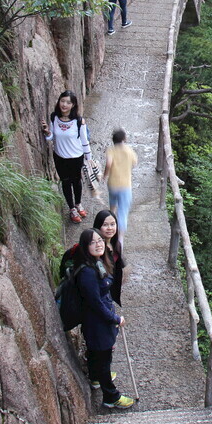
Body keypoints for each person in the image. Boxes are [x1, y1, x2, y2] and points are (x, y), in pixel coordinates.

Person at [75, 228, 135, 409]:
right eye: (93, 242)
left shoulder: (96, 262)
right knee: (104, 358)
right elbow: (96, 303)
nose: (98, 244)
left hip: (95, 322)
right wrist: (115, 319)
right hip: (97, 324)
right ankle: (111, 396)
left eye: (99, 240)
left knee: (96, 353)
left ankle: (95, 379)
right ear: (85, 246)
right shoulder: (87, 272)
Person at [42, 90, 91, 223]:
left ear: (73, 105)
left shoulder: (79, 121)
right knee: (65, 182)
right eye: (62, 101)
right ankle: (72, 209)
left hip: (76, 157)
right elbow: (52, 137)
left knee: (76, 181)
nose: (64, 105)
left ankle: (78, 204)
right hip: (60, 157)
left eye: (68, 102)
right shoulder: (54, 117)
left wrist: (89, 158)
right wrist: (47, 132)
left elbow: (84, 140)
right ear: (59, 102)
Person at [103, 128, 137, 239]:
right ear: (124, 139)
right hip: (125, 186)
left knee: (112, 207)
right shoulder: (129, 151)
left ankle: (109, 228)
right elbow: (134, 163)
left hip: (112, 184)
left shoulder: (111, 150)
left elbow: (108, 164)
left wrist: (105, 175)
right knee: (122, 212)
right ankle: (120, 239)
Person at [93, 209, 126, 304]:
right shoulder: (97, 249)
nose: (110, 228)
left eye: (112, 224)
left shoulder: (116, 244)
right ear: (98, 226)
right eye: (105, 225)